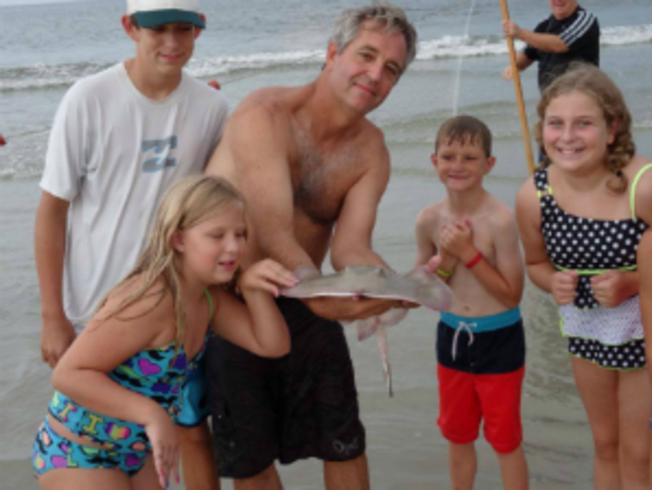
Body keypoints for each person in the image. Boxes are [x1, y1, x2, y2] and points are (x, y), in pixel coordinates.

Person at [204, 3, 417, 488]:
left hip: (305, 295)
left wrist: (401, 284)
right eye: (365, 55)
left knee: (343, 438)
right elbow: (273, 231)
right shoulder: (264, 114)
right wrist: (325, 294)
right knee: (250, 456)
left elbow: (351, 249)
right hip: (230, 299)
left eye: (390, 70)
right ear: (331, 53)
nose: (375, 75)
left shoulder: (371, 151)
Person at [33, 0, 228, 488]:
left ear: (199, 31)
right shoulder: (88, 98)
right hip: (93, 317)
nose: (172, 42)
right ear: (129, 27)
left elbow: (218, 204)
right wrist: (53, 315)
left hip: (170, 319)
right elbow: (52, 210)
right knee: (88, 443)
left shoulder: (212, 107)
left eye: (185, 29)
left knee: (181, 435)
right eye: (158, 29)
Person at [32, 175, 295, 490]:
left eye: (240, 234)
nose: (234, 246)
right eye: (217, 235)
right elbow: (68, 374)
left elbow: (273, 345)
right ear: (178, 239)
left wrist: (254, 290)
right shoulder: (151, 300)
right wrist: (151, 415)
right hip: (78, 451)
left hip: (137, 453)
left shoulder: (209, 299)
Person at [516, 64, 652, 488]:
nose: (568, 136)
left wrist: (632, 283)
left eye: (584, 124)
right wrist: (550, 282)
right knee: (606, 445)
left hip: (642, 336)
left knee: (640, 452)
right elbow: (536, 264)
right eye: (556, 123)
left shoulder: (641, 185)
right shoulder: (534, 196)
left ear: (612, 128)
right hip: (585, 334)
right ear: (542, 129)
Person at [414, 115, 528, 490]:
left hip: (500, 340)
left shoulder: (500, 220)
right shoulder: (428, 220)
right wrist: (445, 263)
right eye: (448, 156)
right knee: (458, 436)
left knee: (505, 441)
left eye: (469, 157)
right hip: (452, 339)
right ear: (434, 161)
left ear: (489, 164)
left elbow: (512, 294)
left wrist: (468, 253)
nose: (457, 166)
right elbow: (422, 291)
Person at [501, 0, 599, 91]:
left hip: (582, 98)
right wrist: (514, 65)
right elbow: (527, 54)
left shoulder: (585, 19)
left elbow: (559, 44)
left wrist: (520, 33)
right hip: (551, 102)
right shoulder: (545, 25)